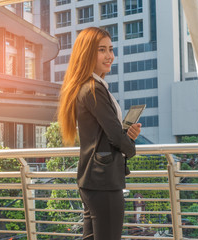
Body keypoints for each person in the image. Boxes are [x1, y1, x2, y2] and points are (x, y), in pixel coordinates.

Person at [58, 27, 141, 240]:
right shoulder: (93, 88)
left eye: (111, 49)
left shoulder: (90, 86)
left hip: (92, 179)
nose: (109, 56)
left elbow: (105, 133)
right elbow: (113, 135)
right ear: (87, 54)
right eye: (102, 50)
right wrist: (130, 147)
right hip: (103, 181)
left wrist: (126, 135)